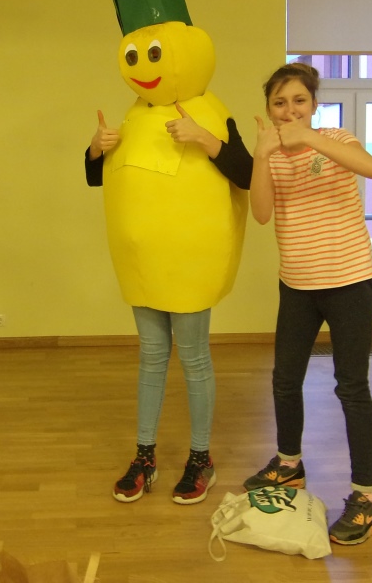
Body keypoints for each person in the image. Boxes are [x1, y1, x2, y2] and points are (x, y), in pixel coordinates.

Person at [242, 62, 372, 546]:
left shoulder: (336, 138)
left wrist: (308, 138)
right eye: (280, 103)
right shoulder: (270, 155)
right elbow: (262, 214)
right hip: (297, 287)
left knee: (352, 388)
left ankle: (366, 496)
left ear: (314, 104)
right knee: (285, 380)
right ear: (269, 109)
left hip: (349, 283)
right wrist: (263, 154)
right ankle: (289, 465)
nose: (290, 110)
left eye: (299, 100)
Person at [86, 104, 251, 505]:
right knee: (151, 356)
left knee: (194, 358)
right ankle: (145, 456)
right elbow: (98, 177)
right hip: (145, 262)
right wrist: (95, 150)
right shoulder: (135, 119)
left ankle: (201, 458)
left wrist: (204, 137)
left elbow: (246, 174)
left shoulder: (212, 114)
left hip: (189, 261)